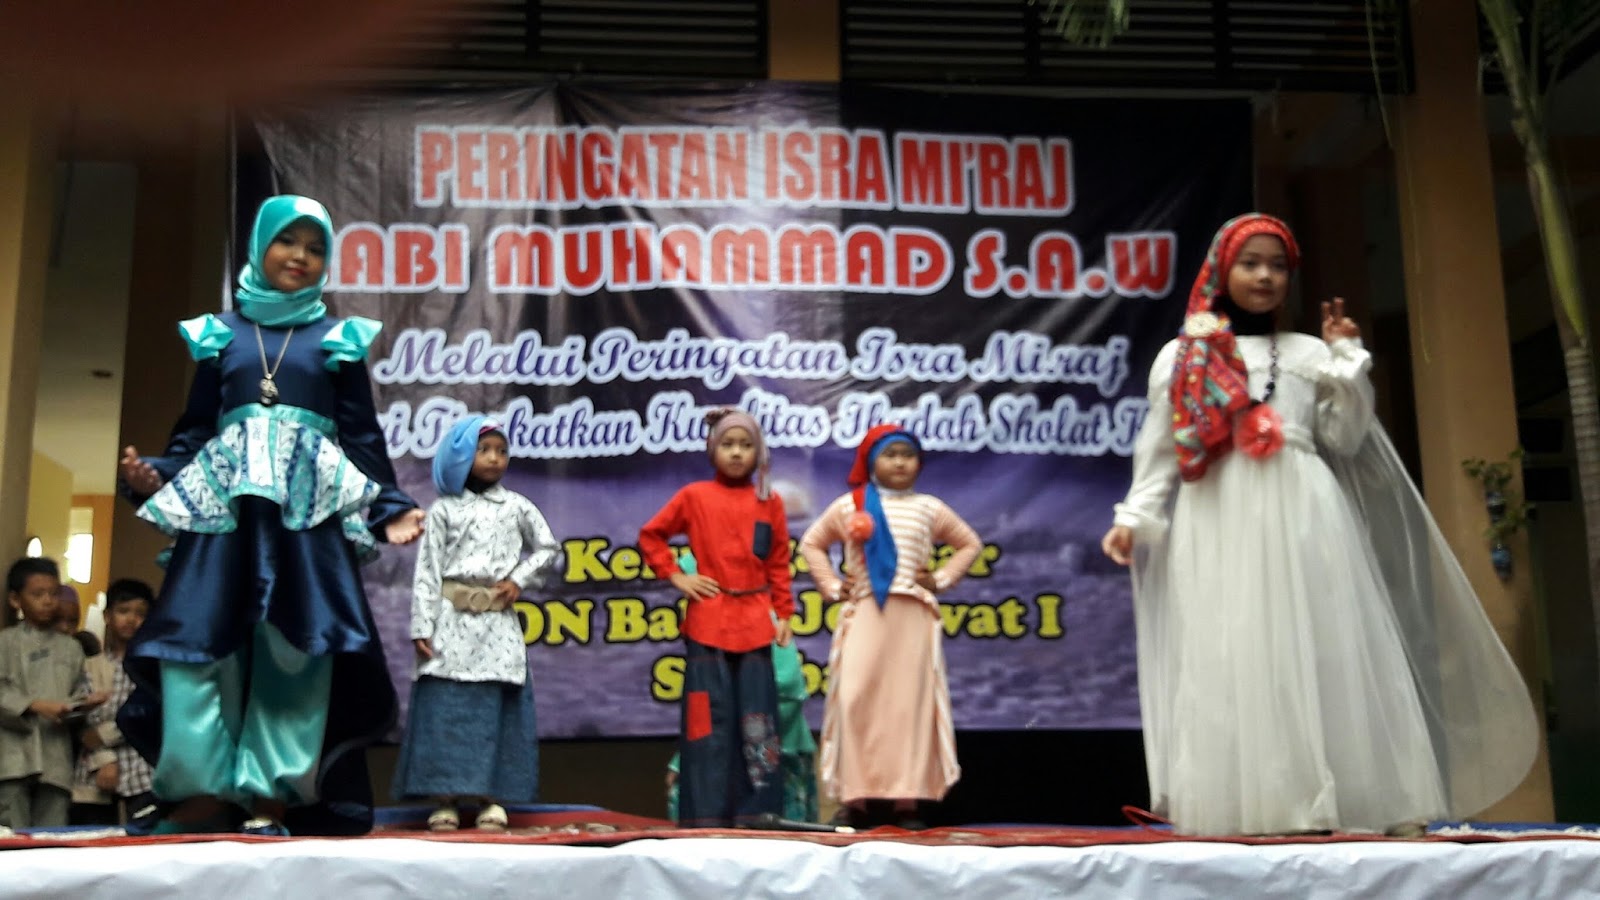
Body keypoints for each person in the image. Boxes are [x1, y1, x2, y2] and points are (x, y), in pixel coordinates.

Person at [1100, 212, 1538, 836]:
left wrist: (1346, 364)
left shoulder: (1308, 354)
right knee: (1235, 647)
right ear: (1222, 271)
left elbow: (1344, 436)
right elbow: (1162, 446)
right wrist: (1136, 515)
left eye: (1278, 266)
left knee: (1322, 644)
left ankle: (1355, 801)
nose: (1265, 276)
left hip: (1303, 507)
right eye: (1251, 263)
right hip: (1219, 515)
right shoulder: (1185, 357)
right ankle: (1262, 806)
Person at [116, 194, 424, 836]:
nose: (300, 257)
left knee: (295, 648)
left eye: (315, 248)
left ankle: (272, 794)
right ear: (260, 247)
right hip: (224, 522)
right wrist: (156, 474)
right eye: (288, 241)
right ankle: (201, 790)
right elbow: (195, 432)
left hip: (304, 524)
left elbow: (361, 437)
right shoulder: (221, 335)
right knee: (196, 646)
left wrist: (389, 506)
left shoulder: (337, 340)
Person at [799, 425, 980, 829]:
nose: (900, 462)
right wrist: (833, 586)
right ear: (870, 462)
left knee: (908, 708)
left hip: (912, 616)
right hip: (866, 611)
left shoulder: (929, 507)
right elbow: (812, 543)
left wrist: (941, 579)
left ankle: (906, 801)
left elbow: (969, 543)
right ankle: (857, 799)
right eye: (890, 454)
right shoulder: (850, 506)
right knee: (855, 701)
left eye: (908, 455)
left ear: (919, 463)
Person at [392, 415, 558, 833]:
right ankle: (445, 798)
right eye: (484, 450)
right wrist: (422, 626)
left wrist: (518, 580)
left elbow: (547, 547)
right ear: (462, 456)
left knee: (494, 706)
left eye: (502, 451)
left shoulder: (516, 506)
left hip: (497, 625)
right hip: (450, 621)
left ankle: (492, 799)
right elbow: (428, 571)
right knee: (446, 709)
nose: (495, 458)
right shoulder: (444, 510)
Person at [639, 409, 793, 828]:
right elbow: (651, 536)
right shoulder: (694, 496)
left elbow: (778, 561)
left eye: (745, 445)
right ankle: (705, 814)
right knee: (707, 722)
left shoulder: (769, 501)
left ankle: (757, 813)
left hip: (754, 623)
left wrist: (783, 612)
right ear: (713, 450)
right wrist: (678, 576)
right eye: (728, 445)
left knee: (758, 721)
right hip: (709, 621)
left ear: (759, 453)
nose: (737, 453)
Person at [0, 558, 103, 829]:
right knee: (12, 834)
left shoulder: (71, 648)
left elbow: (78, 690)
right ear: (15, 599)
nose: (47, 601)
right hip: (12, 757)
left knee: (52, 834)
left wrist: (82, 705)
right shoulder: (5, 643)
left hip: (55, 755)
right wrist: (34, 705)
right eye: (38, 594)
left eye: (53, 594)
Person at [70, 579, 157, 827]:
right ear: (107, 616)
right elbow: (83, 722)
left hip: (141, 771)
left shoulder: (153, 668)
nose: (131, 619)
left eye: (140, 614)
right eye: (123, 611)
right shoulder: (90, 666)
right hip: (94, 771)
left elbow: (148, 715)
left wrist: (105, 734)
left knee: (143, 836)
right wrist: (106, 759)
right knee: (91, 837)